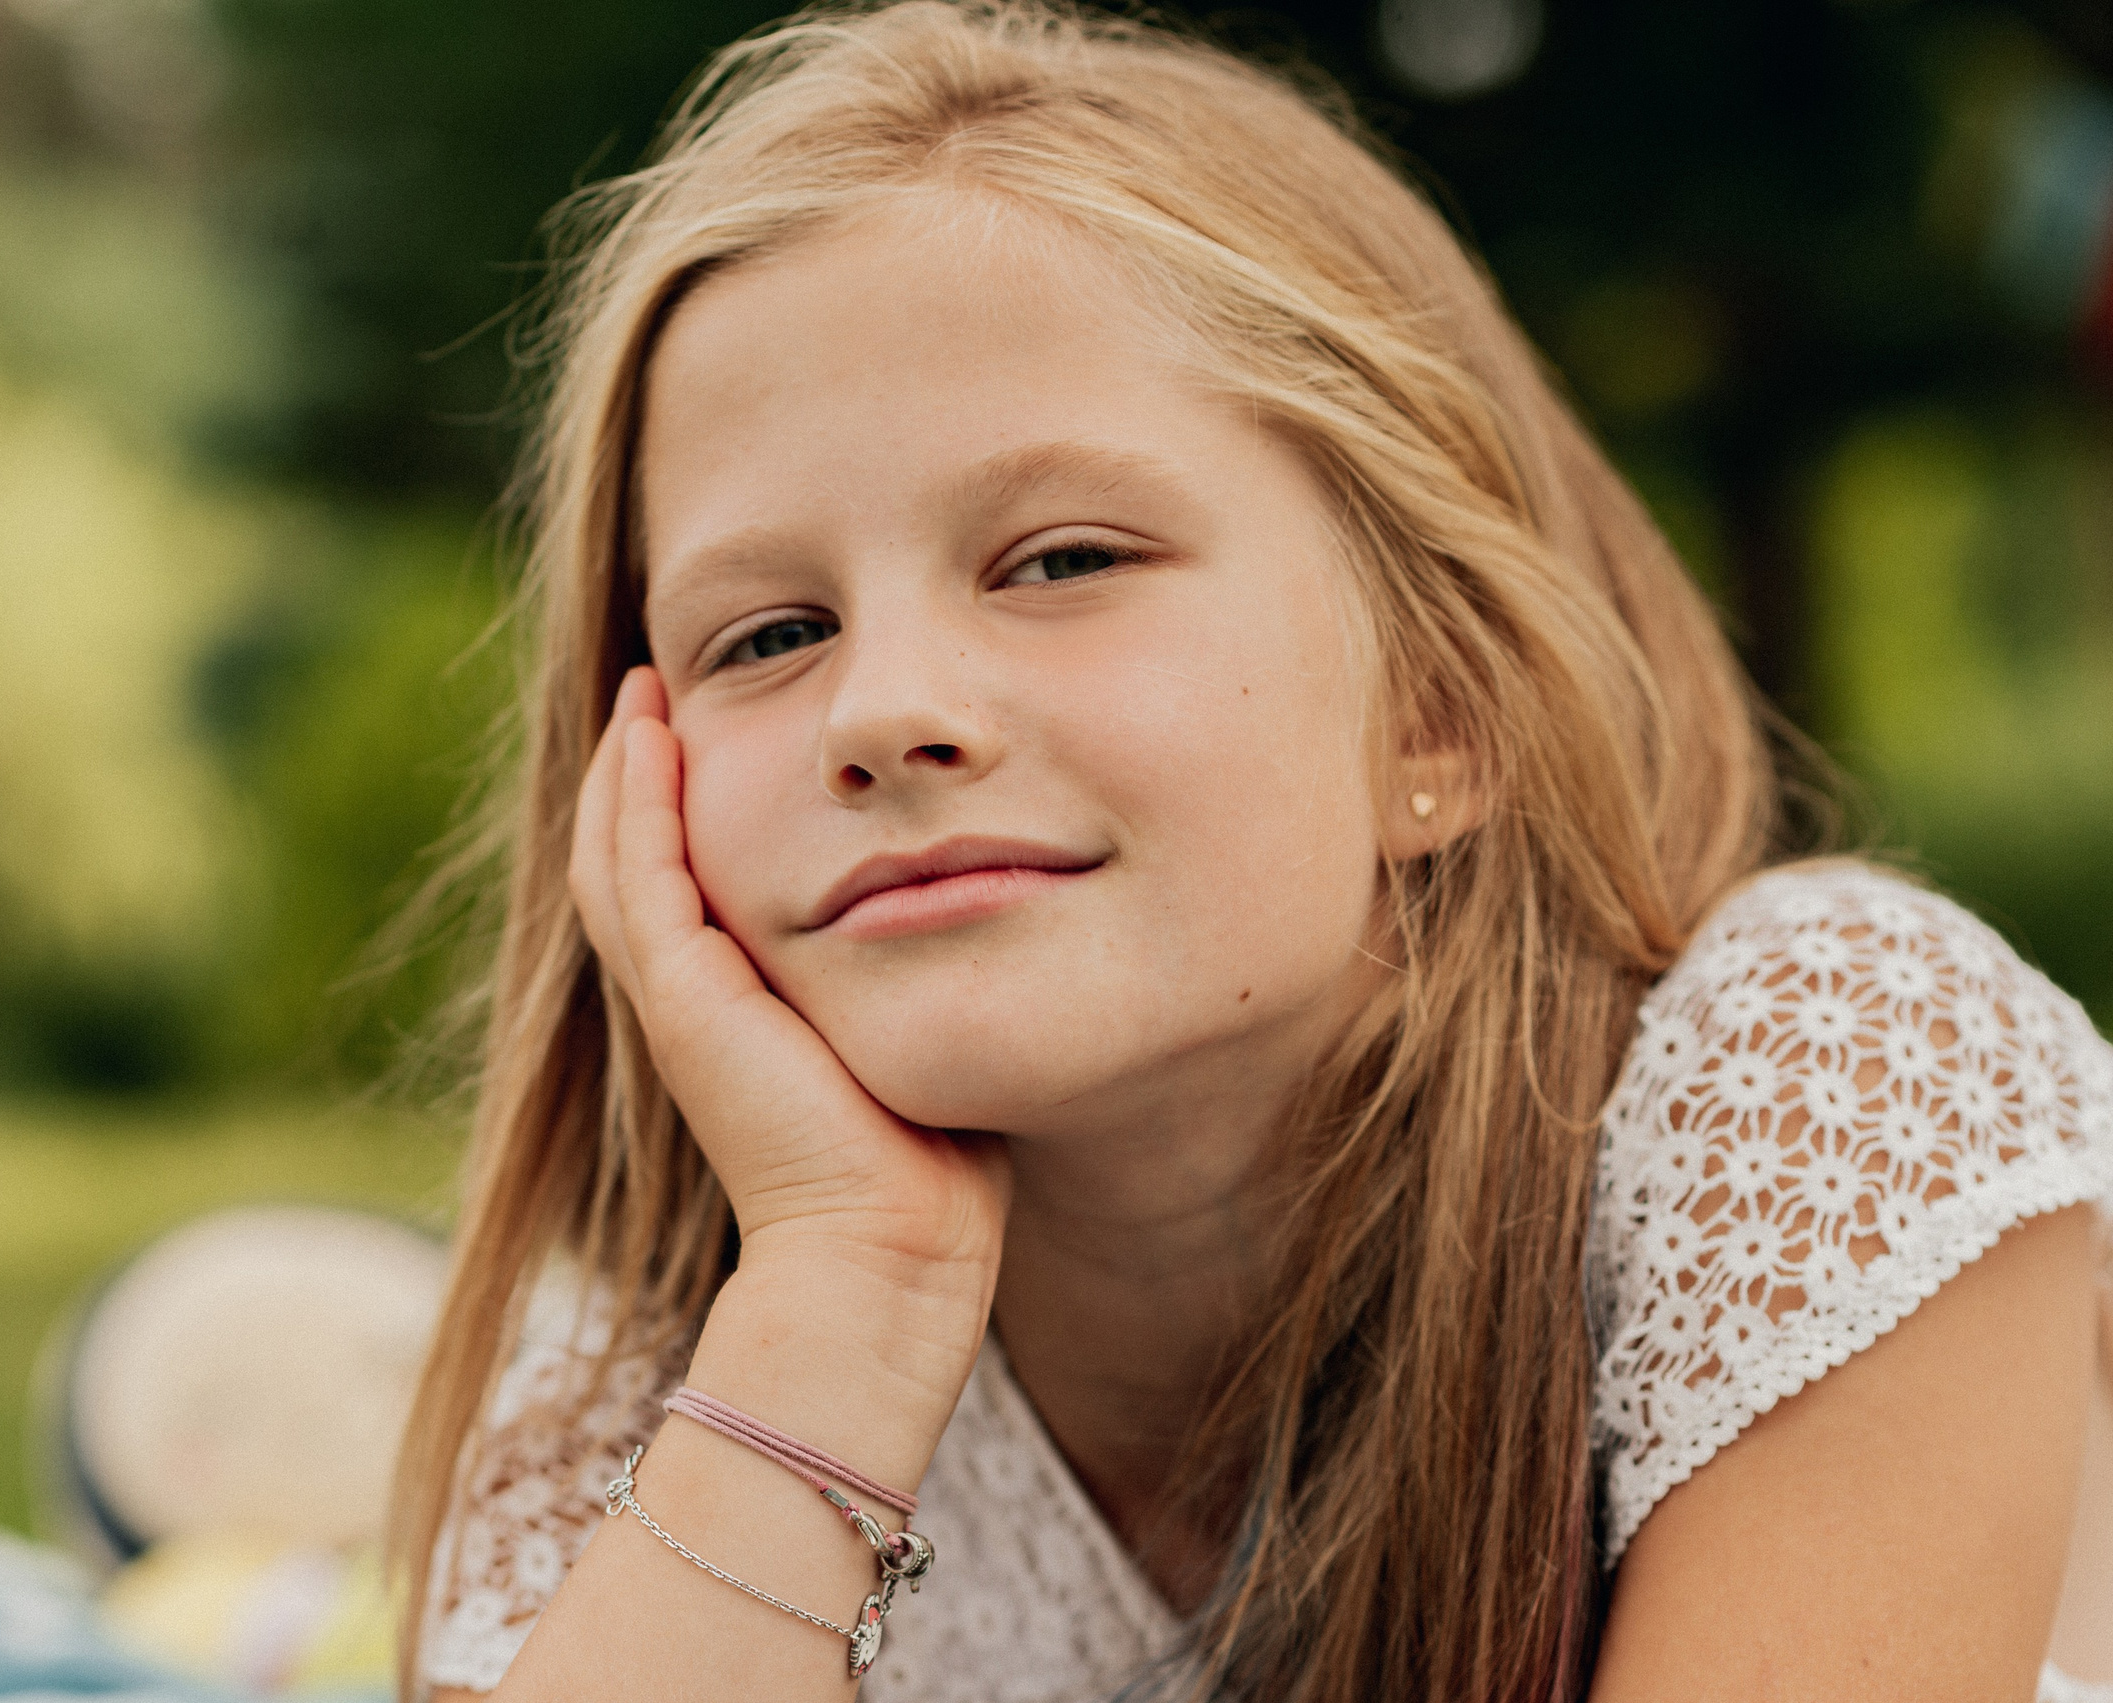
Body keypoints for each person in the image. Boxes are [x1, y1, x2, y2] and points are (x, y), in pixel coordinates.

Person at [385, 4, 2113, 1699]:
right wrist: (844, 1300)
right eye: (765, 636)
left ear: (1437, 711)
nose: (882, 711)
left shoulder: (1817, 1080)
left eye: (1060, 560)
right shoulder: (677, 1371)